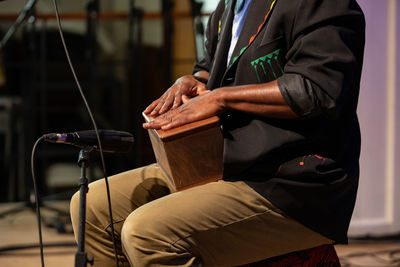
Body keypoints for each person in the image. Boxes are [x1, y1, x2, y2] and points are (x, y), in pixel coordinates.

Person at [70, 0, 365, 266]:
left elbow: (317, 91)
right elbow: (211, 69)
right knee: (93, 206)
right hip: (230, 162)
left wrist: (219, 98)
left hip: (292, 182)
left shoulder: (323, 3)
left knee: (146, 233)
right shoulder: (231, 5)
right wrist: (193, 81)